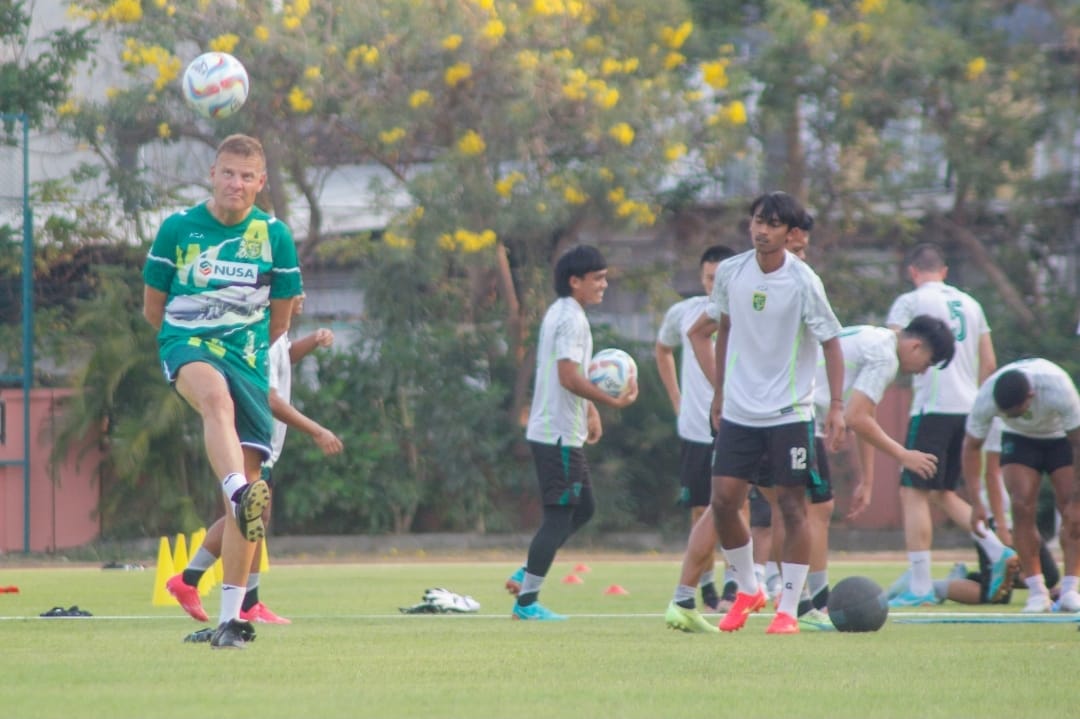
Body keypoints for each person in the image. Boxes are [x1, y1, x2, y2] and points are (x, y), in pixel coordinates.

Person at [665, 315, 954, 633]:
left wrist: (868, 479)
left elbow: (860, 416)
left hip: (754, 408)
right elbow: (857, 417)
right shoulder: (885, 356)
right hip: (788, 414)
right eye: (928, 362)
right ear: (915, 346)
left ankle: (686, 600)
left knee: (730, 505)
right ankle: (805, 603)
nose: (923, 371)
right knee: (797, 509)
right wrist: (904, 455)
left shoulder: (874, 338)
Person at [142, 134, 303, 649]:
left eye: (247, 176)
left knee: (252, 502)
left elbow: (281, 318)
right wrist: (191, 338)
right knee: (217, 400)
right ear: (212, 173)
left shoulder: (274, 236)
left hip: (250, 359)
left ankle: (230, 620)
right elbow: (153, 308)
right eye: (228, 173)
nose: (236, 183)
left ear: (261, 183)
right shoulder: (177, 229)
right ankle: (234, 489)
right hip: (186, 342)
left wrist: (246, 344)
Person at [681, 190, 845, 635]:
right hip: (738, 411)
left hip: (789, 412)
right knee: (722, 502)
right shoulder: (732, 272)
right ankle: (750, 588)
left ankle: (788, 609)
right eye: (756, 221)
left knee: (792, 508)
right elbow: (724, 327)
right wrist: (719, 392)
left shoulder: (804, 281)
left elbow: (831, 341)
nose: (760, 230)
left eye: (772, 224)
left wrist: (837, 406)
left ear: (790, 234)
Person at [166, 294, 343, 626]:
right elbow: (270, 397)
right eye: (295, 290)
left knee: (256, 515)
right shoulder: (260, 335)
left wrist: (312, 342)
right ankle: (235, 598)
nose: (302, 295)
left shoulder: (276, 335)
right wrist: (316, 430)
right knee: (252, 515)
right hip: (254, 437)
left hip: (267, 439)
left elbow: (284, 358)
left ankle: (198, 583)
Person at [506, 245, 639, 621]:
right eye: (597, 278)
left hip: (564, 430)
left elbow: (571, 374)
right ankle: (526, 603)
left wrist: (592, 409)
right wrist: (610, 402)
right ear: (574, 281)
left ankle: (526, 572)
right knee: (560, 515)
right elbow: (568, 377)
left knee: (584, 509)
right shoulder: (570, 320)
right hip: (557, 434)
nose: (604, 284)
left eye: (604, 277)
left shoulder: (565, 312)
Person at [885, 242, 1017, 608]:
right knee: (942, 493)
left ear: (913, 272)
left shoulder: (910, 301)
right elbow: (988, 363)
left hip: (931, 406)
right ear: (944, 272)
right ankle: (997, 549)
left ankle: (921, 585)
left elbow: (892, 348)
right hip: (969, 408)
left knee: (912, 492)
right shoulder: (972, 304)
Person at [962, 358, 1080, 613]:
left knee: (1071, 510)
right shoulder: (987, 398)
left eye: (1015, 411)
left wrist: (1077, 500)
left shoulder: (1058, 388)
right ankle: (1037, 592)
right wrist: (976, 503)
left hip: (1061, 439)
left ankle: (1072, 588)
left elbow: (1078, 442)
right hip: (1021, 440)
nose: (1011, 415)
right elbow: (971, 447)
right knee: (1021, 505)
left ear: (1031, 396)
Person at [655, 244, 736, 611]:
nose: (713, 285)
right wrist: (677, 398)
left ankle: (737, 586)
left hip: (737, 423)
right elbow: (662, 349)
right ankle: (707, 589)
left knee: (736, 505)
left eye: (720, 279)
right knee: (699, 508)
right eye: (708, 278)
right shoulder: (684, 313)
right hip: (695, 429)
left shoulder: (745, 313)